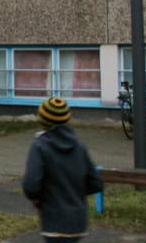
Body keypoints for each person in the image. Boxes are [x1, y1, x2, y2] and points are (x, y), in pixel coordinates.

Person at [22, 97, 103, 243]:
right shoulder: (79, 146)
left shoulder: (40, 146)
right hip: (78, 222)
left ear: (42, 120)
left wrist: (41, 197)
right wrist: (74, 192)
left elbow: (31, 185)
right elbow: (95, 183)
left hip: (53, 219)